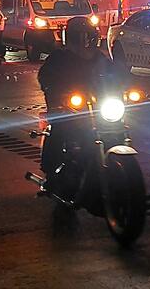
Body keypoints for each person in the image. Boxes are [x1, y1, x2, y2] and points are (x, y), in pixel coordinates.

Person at [37, 16, 112, 188]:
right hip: (66, 105)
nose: (85, 42)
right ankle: (50, 171)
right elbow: (45, 76)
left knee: (116, 128)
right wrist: (53, 89)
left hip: (96, 104)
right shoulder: (59, 57)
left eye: (88, 37)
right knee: (59, 128)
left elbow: (115, 72)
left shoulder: (99, 58)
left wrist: (134, 83)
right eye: (81, 37)